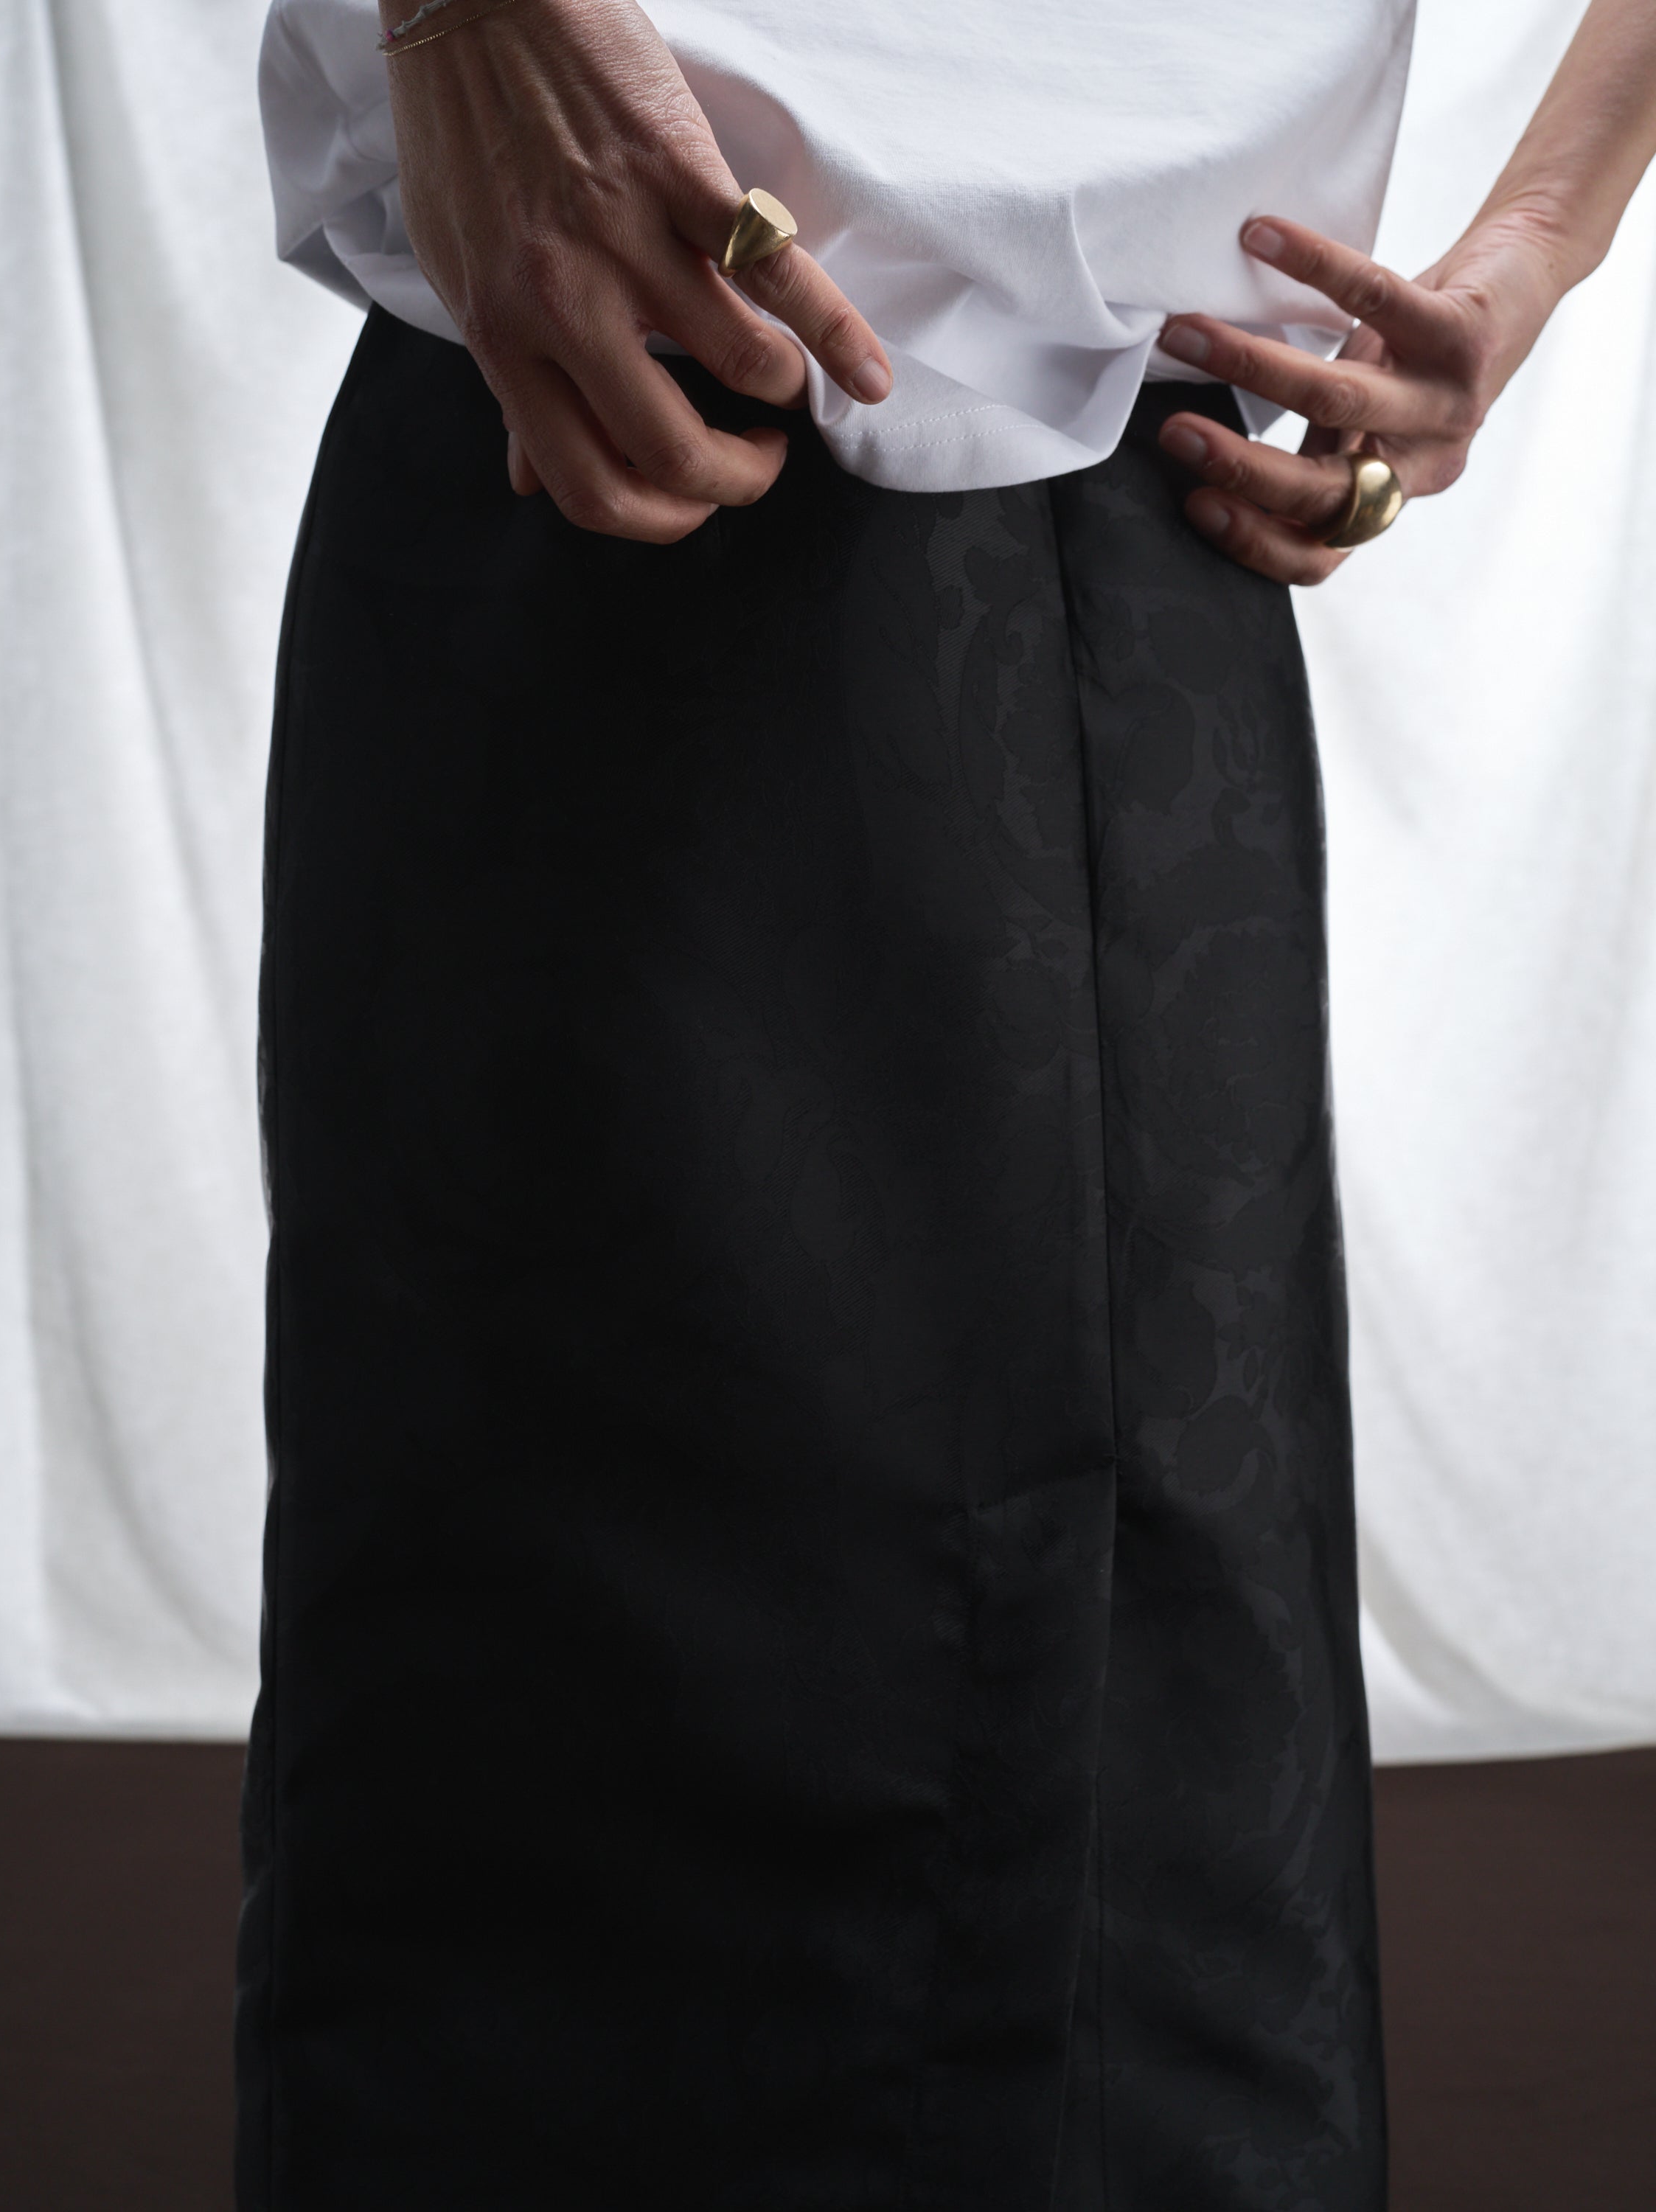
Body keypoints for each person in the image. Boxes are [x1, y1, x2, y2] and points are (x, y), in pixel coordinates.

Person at [238, 2, 1656, 2205]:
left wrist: (1546, 225)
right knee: (488, 1791)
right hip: (548, 398)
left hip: (1084, 544)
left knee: (1077, 1924)